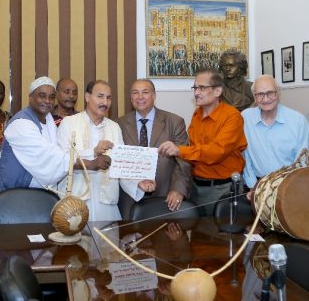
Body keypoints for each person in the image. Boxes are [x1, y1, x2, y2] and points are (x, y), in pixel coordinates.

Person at [57, 80, 155, 221]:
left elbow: (120, 166)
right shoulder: (69, 123)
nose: (105, 102)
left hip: (106, 204)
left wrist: (138, 183)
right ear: (87, 97)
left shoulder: (114, 127)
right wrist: (93, 152)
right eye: (100, 96)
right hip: (75, 203)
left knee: (108, 235)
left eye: (108, 98)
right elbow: (61, 161)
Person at [159, 69, 247, 216]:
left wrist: (180, 150)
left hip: (222, 189)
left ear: (218, 91)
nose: (196, 93)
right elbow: (194, 150)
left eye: (202, 88)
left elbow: (216, 152)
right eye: (195, 88)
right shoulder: (197, 114)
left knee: (222, 230)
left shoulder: (232, 116)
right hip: (196, 187)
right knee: (197, 230)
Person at [117, 78, 191, 219]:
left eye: (145, 92)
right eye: (135, 93)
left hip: (165, 195)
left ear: (154, 96)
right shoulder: (119, 124)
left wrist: (178, 189)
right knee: (129, 232)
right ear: (131, 97)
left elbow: (183, 160)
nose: (140, 97)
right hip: (130, 196)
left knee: (164, 233)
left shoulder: (174, 122)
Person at [0, 76, 72, 196]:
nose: (47, 101)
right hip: (12, 196)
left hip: (37, 195)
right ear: (31, 97)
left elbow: (59, 151)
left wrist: (91, 154)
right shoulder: (20, 123)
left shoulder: (49, 121)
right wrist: (87, 164)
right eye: (42, 96)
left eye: (51, 97)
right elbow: (48, 156)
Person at [242, 74, 309, 195]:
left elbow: (302, 161)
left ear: (278, 93)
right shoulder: (246, 118)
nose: (266, 99)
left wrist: (290, 190)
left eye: (270, 93)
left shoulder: (298, 121)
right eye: (260, 94)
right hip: (257, 186)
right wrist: (252, 185)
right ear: (254, 97)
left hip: (289, 187)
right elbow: (245, 155)